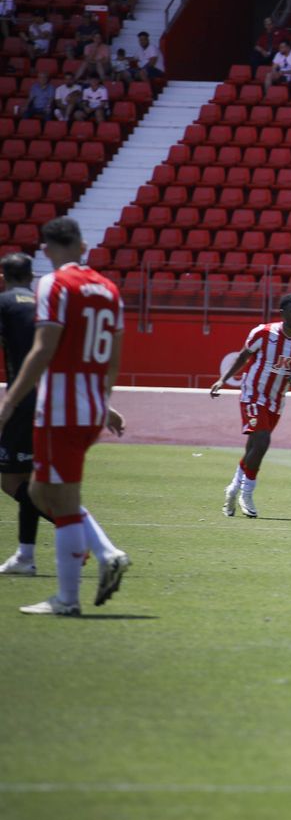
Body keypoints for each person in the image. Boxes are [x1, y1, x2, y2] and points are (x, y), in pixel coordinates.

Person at [0, 218, 131, 615]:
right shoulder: (109, 289)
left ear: (46, 248)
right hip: (89, 405)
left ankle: (68, 598)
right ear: (83, 243)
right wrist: (102, 401)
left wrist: (9, 404)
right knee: (41, 492)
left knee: (63, 499)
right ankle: (104, 552)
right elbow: (113, 358)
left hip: (59, 408)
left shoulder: (54, 285)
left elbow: (43, 350)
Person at [209, 293, 291, 518]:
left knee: (253, 448)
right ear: (283, 313)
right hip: (253, 394)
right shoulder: (264, 333)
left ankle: (233, 487)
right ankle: (247, 492)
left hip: (277, 399)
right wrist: (222, 379)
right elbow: (243, 356)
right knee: (263, 440)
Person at [0, 253, 46, 576]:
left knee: (12, 479)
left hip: (21, 400)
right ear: (32, 276)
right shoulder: (46, 304)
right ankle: (26, 556)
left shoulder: (4, 303)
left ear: (4, 276)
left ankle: (79, 530)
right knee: (20, 480)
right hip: (48, 400)